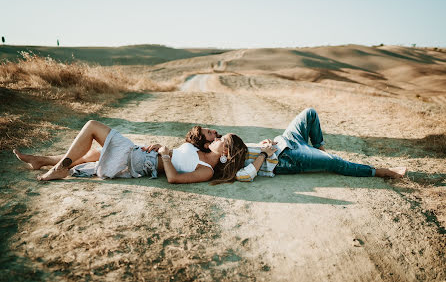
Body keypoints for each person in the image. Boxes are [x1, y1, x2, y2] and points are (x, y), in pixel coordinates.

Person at [185, 108, 407, 181]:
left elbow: (247, 147)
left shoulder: (224, 143)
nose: (214, 132)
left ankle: (318, 149)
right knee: (333, 163)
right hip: (287, 159)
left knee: (309, 113)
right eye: (209, 134)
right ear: (206, 145)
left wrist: (263, 143)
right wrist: (263, 154)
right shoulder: (223, 165)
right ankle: (381, 172)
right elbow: (245, 176)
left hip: (285, 141)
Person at [13, 120, 247, 184]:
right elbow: (178, 152)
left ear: (226, 151)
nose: (217, 137)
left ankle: (57, 169)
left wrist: (165, 154)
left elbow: (174, 178)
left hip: (136, 162)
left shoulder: (206, 170)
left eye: (221, 138)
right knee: (92, 154)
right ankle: (41, 161)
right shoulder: (201, 150)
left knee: (93, 126)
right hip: (141, 154)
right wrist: (161, 149)